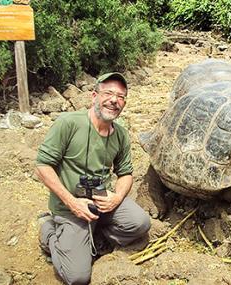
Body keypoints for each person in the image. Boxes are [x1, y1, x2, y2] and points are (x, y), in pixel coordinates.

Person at [35, 73, 150, 285]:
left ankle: (91, 237)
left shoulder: (121, 134)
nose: (114, 100)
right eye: (108, 93)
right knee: (78, 277)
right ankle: (49, 231)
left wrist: (116, 197)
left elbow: (125, 173)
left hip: (101, 202)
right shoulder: (68, 123)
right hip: (70, 206)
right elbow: (42, 167)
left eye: (121, 96)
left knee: (140, 223)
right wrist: (72, 202)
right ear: (94, 96)